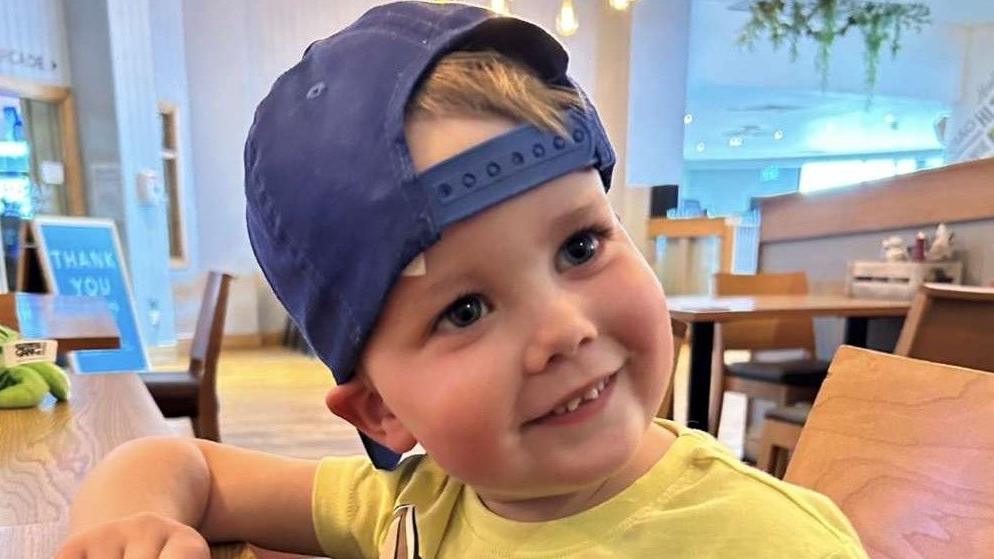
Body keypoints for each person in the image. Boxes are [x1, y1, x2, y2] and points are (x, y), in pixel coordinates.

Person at [57, 3, 867, 558]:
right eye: (466, 308)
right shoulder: (423, 508)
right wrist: (123, 527)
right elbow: (182, 466)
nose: (565, 330)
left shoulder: (775, 540)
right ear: (382, 410)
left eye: (581, 245)